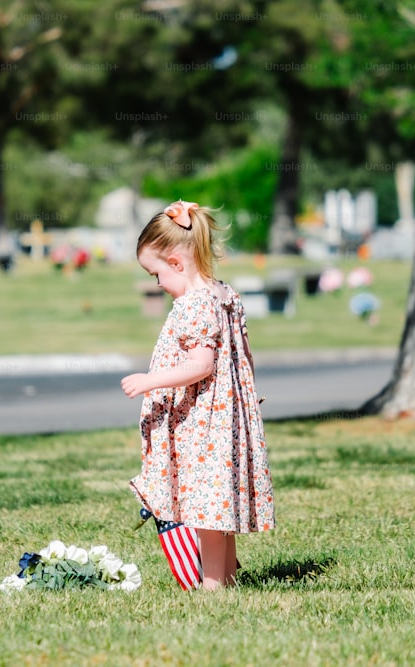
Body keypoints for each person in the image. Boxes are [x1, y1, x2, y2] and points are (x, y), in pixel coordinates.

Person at [121, 199, 275, 590]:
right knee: (218, 502)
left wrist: (149, 380)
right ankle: (224, 577)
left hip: (204, 420)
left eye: (156, 274)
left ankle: (212, 585)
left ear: (175, 263)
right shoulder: (225, 295)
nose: (158, 284)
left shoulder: (193, 304)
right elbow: (243, 356)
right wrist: (245, 398)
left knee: (207, 508)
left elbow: (201, 365)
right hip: (226, 414)